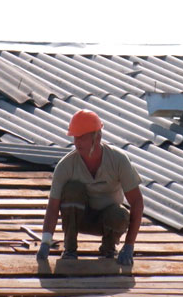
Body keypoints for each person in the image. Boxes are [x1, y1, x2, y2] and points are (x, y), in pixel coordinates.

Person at [36, 109, 144, 266]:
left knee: (120, 215)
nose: (77, 142)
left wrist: (129, 246)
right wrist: (45, 243)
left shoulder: (118, 160)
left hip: (107, 221)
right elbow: (53, 207)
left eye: (82, 137)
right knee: (72, 189)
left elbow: (137, 202)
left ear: (97, 137)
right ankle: (70, 250)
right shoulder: (66, 166)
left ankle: (109, 248)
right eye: (75, 137)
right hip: (78, 219)